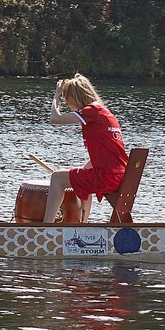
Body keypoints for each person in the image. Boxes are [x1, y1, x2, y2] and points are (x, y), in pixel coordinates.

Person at [47, 74, 130, 221]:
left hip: (107, 177)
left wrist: (57, 95)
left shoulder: (90, 111)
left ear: (76, 97)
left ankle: (44, 229)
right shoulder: (105, 114)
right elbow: (107, 152)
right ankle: (83, 225)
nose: (67, 104)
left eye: (68, 99)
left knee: (57, 178)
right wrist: (84, 171)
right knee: (85, 177)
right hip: (120, 176)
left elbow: (55, 118)